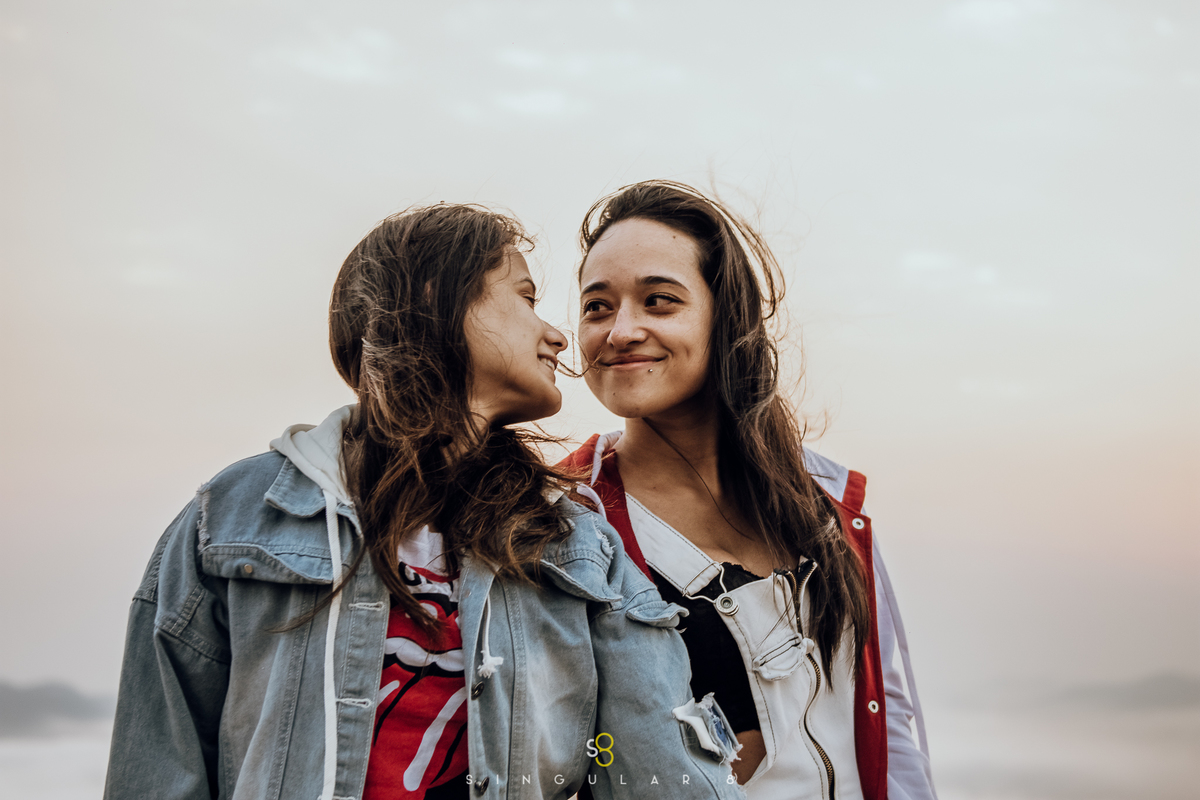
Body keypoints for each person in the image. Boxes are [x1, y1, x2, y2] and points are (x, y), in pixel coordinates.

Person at [104, 203, 744, 800]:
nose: (557, 336)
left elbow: (660, 771)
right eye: (526, 299)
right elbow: (159, 767)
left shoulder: (577, 546)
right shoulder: (237, 516)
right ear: (438, 302)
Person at [561, 181, 937, 800]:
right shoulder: (569, 523)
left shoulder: (828, 504)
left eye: (658, 301)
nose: (620, 330)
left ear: (725, 317)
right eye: (597, 306)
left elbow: (888, 721)